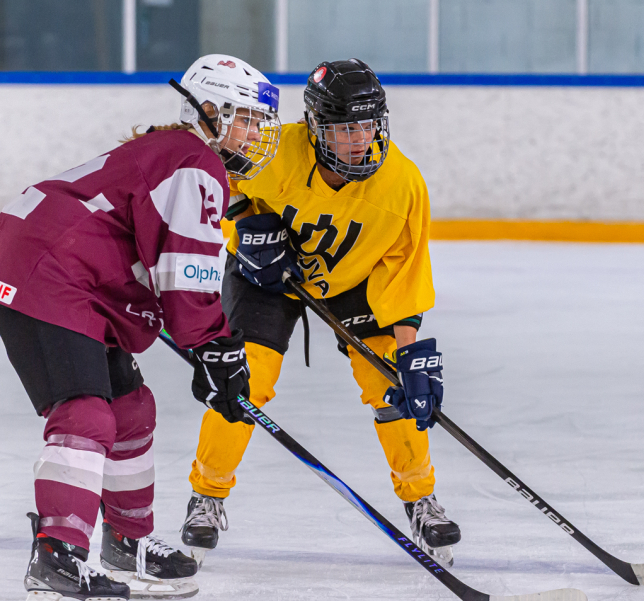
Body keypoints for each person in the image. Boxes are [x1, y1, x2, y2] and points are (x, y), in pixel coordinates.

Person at [0, 54, 281, 601]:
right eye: (249, 120)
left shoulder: (178, 153)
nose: (258, 134)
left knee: (130, 409)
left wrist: (209, 346)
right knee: (87, 415)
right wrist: (214, 346)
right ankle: (58, 562)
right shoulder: (194, 161)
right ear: (211, 111)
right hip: (48, 273)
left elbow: (157, 255)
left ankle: (126, 544)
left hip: (61, 270)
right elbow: (187, 276)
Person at [180, 58, 461, 568]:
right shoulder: (274, 148)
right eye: (342, 128)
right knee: (245, 380)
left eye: (366, 125)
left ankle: (420, 498)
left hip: (353, 282)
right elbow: (219, 179)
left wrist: (408, 355)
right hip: (265, 278)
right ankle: (208, 495)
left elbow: (404, 276)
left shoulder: (403, 184)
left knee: (388, 381)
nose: (357, 139)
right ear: (314, 127)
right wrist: (245, 225)